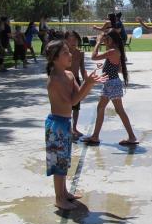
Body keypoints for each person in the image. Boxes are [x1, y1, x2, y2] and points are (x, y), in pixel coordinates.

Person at [45, 39, 107, 210]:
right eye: (65, 52)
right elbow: (71, 102)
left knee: (63, 162)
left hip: (65, 123)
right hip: (56, 125)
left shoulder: (70, 75)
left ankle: (64, 193)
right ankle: (59, 198)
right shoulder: (54, 80)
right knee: (58, 164)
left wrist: (90, 84)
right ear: (55, 58)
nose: (70, 54)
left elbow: (79, 96)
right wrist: (88, 83)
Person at [82, 29, 138, 146]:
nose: (105, 41)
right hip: (110, 83)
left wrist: (97, 42)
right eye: (104, 39)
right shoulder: (115, 51)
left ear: (113, 39)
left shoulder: (113, 51)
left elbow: (94, 57)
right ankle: (95, 136)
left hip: (112, 83)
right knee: (101, 108)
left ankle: (132, 137)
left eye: (107, 39)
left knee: (119, 110)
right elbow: (119, 69)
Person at [64, 30, 88, 139]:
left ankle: (74, 128)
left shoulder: (80, 53)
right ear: (66, 41)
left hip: (76, 80)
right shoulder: (63, 53)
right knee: (66, 106)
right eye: (70, 40)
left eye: (75, 40)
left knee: (76, 107)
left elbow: (82, 68)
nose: (73, 42)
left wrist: (86, 80)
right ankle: (67, 128)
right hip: (64, 81)